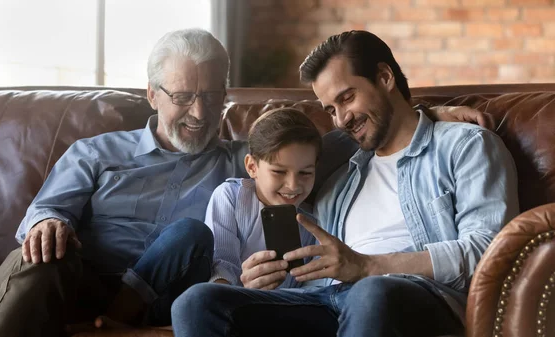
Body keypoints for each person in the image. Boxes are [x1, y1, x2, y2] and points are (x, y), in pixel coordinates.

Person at [0, 28, 495, 337]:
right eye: (183, 96)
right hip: (76, 278)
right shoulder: (97, 152)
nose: (198, 112)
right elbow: (44, 214)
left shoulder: (247, 163)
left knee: (191, 250)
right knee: (44, 251)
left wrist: (424, 110)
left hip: (168, 296)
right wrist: (49, 222)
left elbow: (344, 134)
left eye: (212, 97)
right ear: (151, 95)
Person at [171, 30, 519, 337]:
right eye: (331, 108)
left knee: (371, 292)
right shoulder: (341, 164)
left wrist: (369, 267)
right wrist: (255, 280)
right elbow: (273, 168)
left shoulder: (466, 146)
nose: (341, 118)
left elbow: (489, 251)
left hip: (417, 295)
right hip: (326, 299)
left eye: (347, 98)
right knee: (197, 302)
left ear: (385, 77)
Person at [205, 107, 321, 289]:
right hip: (230, 301)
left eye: (305, 173)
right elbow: (221, 262)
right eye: (279, 171)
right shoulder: (230, 197)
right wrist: (239, 291)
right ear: (252, 167)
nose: (293, 185)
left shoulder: (313, 220)